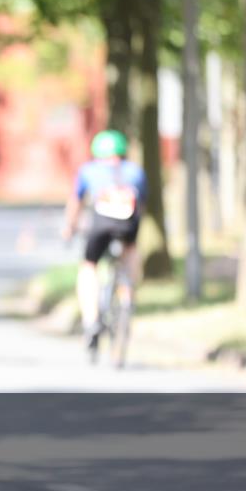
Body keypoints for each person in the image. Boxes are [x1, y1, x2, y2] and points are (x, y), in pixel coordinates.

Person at [61, 129, 146, 353]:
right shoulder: (135, 171)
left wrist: (69, 228)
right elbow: (142, 204)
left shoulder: (89, 170)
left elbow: (76, 203)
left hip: (100, 225)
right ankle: (128, 294)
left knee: (89, 266)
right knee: (130, 251)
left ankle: (91, 320)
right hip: (128, 225)